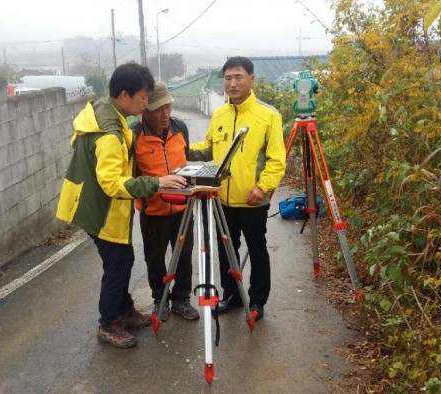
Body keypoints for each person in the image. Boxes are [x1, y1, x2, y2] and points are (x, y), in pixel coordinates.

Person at [56, 63, 187, 349]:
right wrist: (157, 183)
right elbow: (112, 184)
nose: (145, 104)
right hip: (98, 208)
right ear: (125, 95)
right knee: (118, 264)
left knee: (122, 259)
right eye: (143, 98)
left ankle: (124, 310)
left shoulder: (108, 113)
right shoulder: (109, 134)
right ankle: (108, 322)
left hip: (98, 203)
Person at [189, 56, 286, 321]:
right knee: (224, 250)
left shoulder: (268, 115)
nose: (232, 84)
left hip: (253, 200)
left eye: (238, 77)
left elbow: (277, 160)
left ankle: (257, 301)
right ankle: (231, 294)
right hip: (221, 200)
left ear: (251, 79)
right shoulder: (220, 113)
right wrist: (180, 148)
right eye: (228, 78)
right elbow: (208, 147)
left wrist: (263, 186)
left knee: (257, 249)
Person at [131, 82, 200, 322]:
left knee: (183, 254)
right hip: (153, 210)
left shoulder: (180, 127)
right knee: (155, 258)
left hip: (183, 208)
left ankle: (182, 299)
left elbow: (187, 159)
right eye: (159, 108)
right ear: (144, 110)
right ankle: (160, 299)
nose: (165, 114)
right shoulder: (133, 135)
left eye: (168, 107)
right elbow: (130, 177)